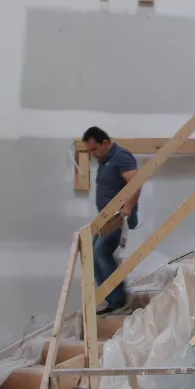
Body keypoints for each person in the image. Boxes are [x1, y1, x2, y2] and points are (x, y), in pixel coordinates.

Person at [81, 126, 139, 314]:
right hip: (105, 219)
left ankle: (119, 300)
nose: (93, 154)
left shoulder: (121, 156)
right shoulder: (106, 159)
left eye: (94, 150)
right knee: (91, 254)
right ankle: (112, 300)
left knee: (100, 252)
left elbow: (136, 182)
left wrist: (128, 208)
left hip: (117, 219)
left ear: (105, 143)